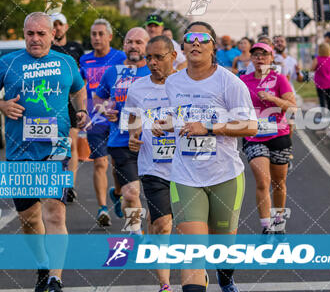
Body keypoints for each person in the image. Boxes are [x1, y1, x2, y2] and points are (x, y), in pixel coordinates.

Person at [0, 12, 87, 292]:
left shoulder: (66, 62)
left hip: (56, 149)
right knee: (29, 221)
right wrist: (2, 106)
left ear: (52, 34)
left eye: (41, 34)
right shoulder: (8, 63)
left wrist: (83, 110)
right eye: (30, 34)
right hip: (20, 153)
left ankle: (55, 278)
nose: (35, 39)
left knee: (55, 213)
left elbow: (79, 89)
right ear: (24, 34)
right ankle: (43, 267)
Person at [153, 21, 257, 292]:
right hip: (186, 176)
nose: (196, 42)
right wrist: (163, 123)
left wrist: (210, 127)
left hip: (225, 176)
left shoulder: (230, 83)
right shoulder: (173, 82)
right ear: (183, 46)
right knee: (193, 253)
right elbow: (179, 115)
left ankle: (225, 276)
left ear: (213, 47)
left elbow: (250, 126)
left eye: (203, 38)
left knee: (223, 250)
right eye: (190, 38)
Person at [125, 35, 177, 292]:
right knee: (162, 224)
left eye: (159, 57)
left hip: (188, 167)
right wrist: (134, 137)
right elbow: (132, 121)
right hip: (153, 166)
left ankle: (196, 274)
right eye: (149, 58)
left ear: (173, 57)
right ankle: (165, 285)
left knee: (190, 227)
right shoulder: (137, 88)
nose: (152, 62)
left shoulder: (186, 85)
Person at [96, 28, 151, 234]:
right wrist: (105, 108)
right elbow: (99, 97)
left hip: (153, 142)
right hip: (121, 141)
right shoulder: (113, 72)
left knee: (150, 194)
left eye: (139, 42)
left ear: (147, 45)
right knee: (131, 193)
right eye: (129, 42)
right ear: (123, 45)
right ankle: (135, 232)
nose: (134, 46)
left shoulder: (155, 72)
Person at [240, 42, 296, 234]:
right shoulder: (244, 81)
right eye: (255, 55)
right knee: (263, 181)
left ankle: (279, 219)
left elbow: (293, 107)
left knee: (279, 183)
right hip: (254, 137)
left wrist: (273, 99)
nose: (259, 58)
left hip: (279, 135)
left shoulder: (279, 79)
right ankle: (266, 226)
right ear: (251, 59)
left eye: (264, 55)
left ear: (272, 58)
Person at [79, 19, 126, 225]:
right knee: (100, 163)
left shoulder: (120, 57)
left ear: (109, 36)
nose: (96, 38)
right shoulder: (85, 60)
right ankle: (102, 208)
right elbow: (81, 88)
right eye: (93, 34)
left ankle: (116, 193)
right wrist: (83, 111)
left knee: (116, 164)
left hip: (118, 119)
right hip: (95, 120)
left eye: (100, 34)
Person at [50, 13, 85, 203]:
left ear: (66, 26)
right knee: (55, 144)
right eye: (53, 24)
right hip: (53, 101)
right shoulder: (46, 48)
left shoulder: (76, 48)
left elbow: (84, 77)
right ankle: (55, 180)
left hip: (71, 101)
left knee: (70, 143)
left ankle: (69, 184)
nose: (57, 27)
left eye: (60, 24)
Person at [312, 43, 330, 119]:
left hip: (320, 83)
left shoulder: (317, 59)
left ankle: (324, 115)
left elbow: (312, 68)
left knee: (322, 100)